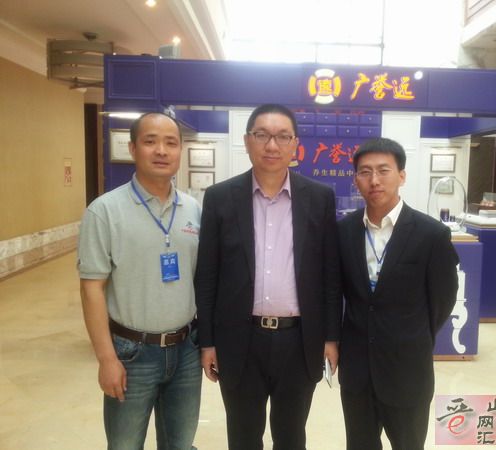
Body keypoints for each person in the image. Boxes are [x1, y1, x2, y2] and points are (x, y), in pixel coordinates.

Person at [195, 103, 342, 450]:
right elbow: (207, 275)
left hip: (299, 341)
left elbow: (330, 275)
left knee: (291, 438)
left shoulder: (319, 198)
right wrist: (208, 342)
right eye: (262, 135)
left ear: (295, 145)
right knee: (243, 438)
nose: (272, 145)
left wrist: (331, 338)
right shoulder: (220, 198)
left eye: (282, 137)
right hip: (239, 340)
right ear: (248, 141)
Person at [78, 112, 202, 450]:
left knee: (180, 444)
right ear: (132, 148)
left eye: (171, 143)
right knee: (125, 445)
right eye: (150, 141)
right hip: (131, 354)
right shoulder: (104, 211)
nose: (161, 150)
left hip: (186, 350)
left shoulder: (193, 209)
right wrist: (107, 359)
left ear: (180, 151)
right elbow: (91, 289)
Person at [337, 137, 459, 450]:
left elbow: (443, 299)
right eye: (365, 172)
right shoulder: (344, 231)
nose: (374, 180)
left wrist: (410, 334)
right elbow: (336, 291)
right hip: (357, 371)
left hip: (408, 370)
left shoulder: (431, 234)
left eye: (383, 170)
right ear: (356, 179)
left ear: (401, 175)